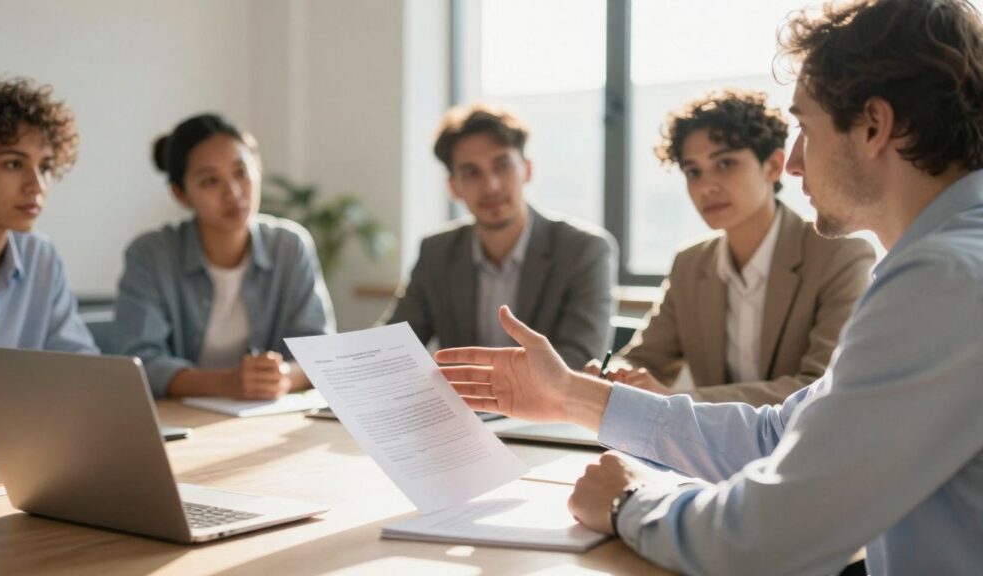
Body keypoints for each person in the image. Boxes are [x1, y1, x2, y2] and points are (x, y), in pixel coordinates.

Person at [436, 0, 983, 573]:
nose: (795, 162)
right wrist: (570, 395)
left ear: (874, 125)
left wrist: (627, 503)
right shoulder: (944, 265)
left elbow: (763, 539)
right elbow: (776, 433)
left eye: (804, 126)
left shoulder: (943, 282)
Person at [584, 90, 874, 405]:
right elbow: (645, 359)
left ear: (773, 165)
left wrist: (679, 399)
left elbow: (821, 386)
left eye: (725, 163)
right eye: (693, 171)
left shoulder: (840, 256)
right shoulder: (690, 263)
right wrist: (616, 374)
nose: (706, 186)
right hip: (707, 437)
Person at [112, 113, 334, 400]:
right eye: (210, 181)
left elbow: (321, 352)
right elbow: (140, 362)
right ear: (180, 194)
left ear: (258, 169)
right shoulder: (151, 254)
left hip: (266, 415)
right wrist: (226, 383)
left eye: (241, 172)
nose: (233, 193)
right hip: (181, 417)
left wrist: (280, 378)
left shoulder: (290, 246)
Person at [381, 104, 617, 369]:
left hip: (539, 399)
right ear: (453, 187)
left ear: (527, 170)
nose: (490, 186)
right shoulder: (436, 251)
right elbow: (392, 346)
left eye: (502, 166)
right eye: (471, 172)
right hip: (461, 396)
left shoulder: (584, 250)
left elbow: (578, 362)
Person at [0, 75, 97, 435]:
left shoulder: (41, 258)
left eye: (45, 167)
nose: (36, 186)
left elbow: (84, 377)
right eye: (13, 164)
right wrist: (16, 413)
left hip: (24, 455)